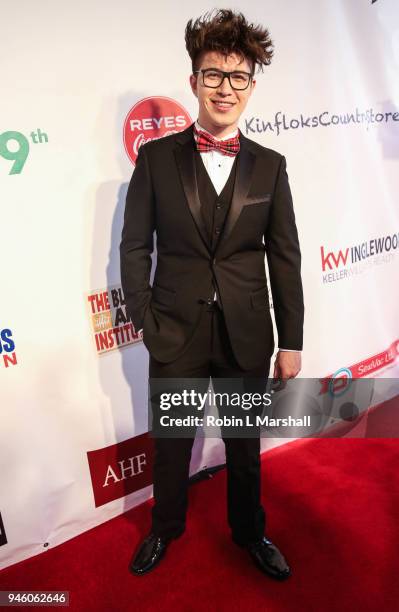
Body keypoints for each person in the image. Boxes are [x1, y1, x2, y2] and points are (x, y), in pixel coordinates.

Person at [120, 9, 304, 580]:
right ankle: (164, 528)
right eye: (214, 74)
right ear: (194, 80)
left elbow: (285, 255)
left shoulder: (271, 167)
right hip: (174, 329)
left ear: (252, 83)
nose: (226, 87)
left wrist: (291, 340)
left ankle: (251, 532)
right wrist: (147, 320)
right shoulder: (155, 159)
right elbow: (133, 249)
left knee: (244, 446)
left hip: (247, 332)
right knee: (171, 445)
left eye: (238, 76)